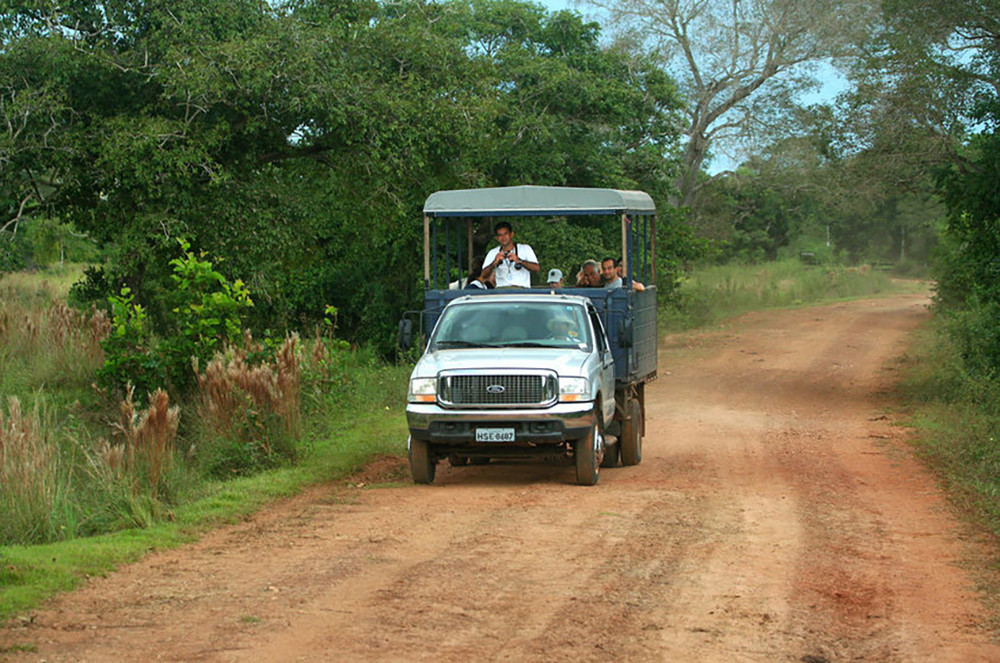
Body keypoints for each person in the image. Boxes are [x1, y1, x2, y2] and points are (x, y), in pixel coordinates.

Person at [482, 221, 539, 288]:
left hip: (522, 290)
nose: (503, 237)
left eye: (505, 234)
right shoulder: (493, 252)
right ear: (497, 238)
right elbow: (483, 275)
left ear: (511, 234)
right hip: (502, 290)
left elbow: (536, 268)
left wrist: (519, 261)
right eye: (500, 235)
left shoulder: (525, 248)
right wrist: (494, 263)